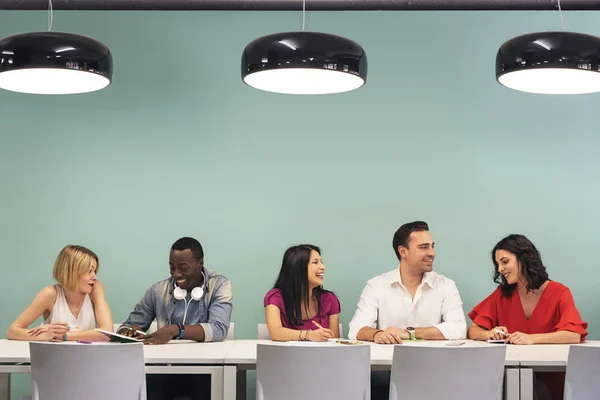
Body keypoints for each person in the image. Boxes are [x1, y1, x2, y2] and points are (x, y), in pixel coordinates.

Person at [348, 221, 467, 400]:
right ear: (403, 251)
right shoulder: (377, 285)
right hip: (387, 376)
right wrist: (377, 334)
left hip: (436, 374)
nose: (432, 253)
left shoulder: (446, 285)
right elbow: (356, 329)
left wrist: (409, 333)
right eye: (424, 247)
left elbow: (458, 328)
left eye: (432, 246)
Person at [468, 234, 587, 400]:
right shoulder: (501, 294)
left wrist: (532, 338)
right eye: (497, 264)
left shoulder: (560, 292)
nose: (500, 269)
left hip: (555, 381)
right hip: (511, 381)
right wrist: (489, 334)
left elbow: (573, 335)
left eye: (505, 261)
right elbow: (473, 330)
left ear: (524, 258)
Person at [118, 237, 232, 400]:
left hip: (205, 369)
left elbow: (218, 329)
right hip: (164, 369)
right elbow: (129, 325)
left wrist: (176, 330)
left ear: (200, 263)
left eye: (183, 268)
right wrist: (128, 332)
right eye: (172, 267)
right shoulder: (158, 290)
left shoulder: (219, 285)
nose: (176, 274)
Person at [7, 245, 113, 342]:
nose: (94, 277)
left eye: (95, 272)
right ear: (72, 271)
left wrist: (62, 336)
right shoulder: (50, 294)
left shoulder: (95, 289)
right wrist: (44, 335)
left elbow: (107, 332)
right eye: (90, 271)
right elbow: (12, 331)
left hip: (89, 357)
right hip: (55, 357)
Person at [264, 244, 340, 341]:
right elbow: (276, 333)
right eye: (315, 262)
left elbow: (334, 342)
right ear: (298, 268)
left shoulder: (329, 299)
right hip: (286, 355)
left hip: (321, 355)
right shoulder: (275, 297)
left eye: (321, 262)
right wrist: (308, 335)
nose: (323, 267)